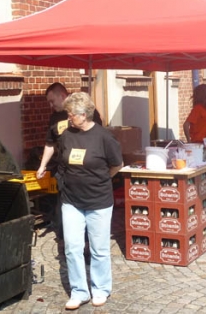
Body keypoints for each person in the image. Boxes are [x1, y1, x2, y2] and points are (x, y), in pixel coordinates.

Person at [55, 92, 123, 310]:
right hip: (71, 201)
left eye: (71, 114)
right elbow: (62, 162)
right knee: (72, 248)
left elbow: (117, 164)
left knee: (99, 248)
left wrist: (102, 180)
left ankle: (101, 289)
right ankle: (79, 291)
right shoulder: (66, 135)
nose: (68, 117)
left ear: (83, 115)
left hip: (98, 201)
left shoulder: (104, 137)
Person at [36, 83, 102, 239]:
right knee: (64, 213)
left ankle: (87, 244)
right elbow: (50, 143)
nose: (51, 105)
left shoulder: (87, 112)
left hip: (86, 173)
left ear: (62, 96)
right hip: (64, 173)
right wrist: (42, 165)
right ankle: (68, 244)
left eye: (52, 101)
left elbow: (98, 137)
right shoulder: (54, 118)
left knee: (86, 213)